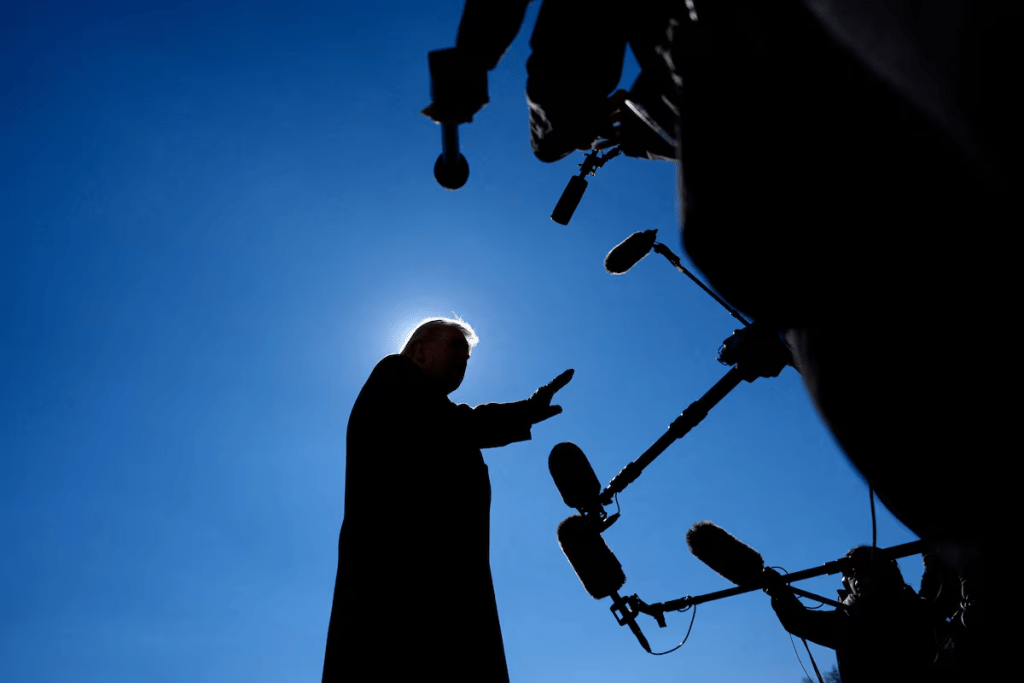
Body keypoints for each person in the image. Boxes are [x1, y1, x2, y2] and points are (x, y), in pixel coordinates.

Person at [321, 317, 574, 682]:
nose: (463, 360)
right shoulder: (395, 376)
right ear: (420, 350)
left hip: (438, 586)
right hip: (403, 588)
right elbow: (462, 423)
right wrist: (526, 410)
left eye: (468, 355)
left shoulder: (431, 414)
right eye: (455, 347)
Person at [763, 547, 935, 683]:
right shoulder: (847, 619)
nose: (860, 577)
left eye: (867, 570)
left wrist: (933, 565)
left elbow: (933, 597)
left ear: (886, 573)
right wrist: (781, 593)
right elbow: (801, 621)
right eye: (853, 573)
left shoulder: (912, 608)